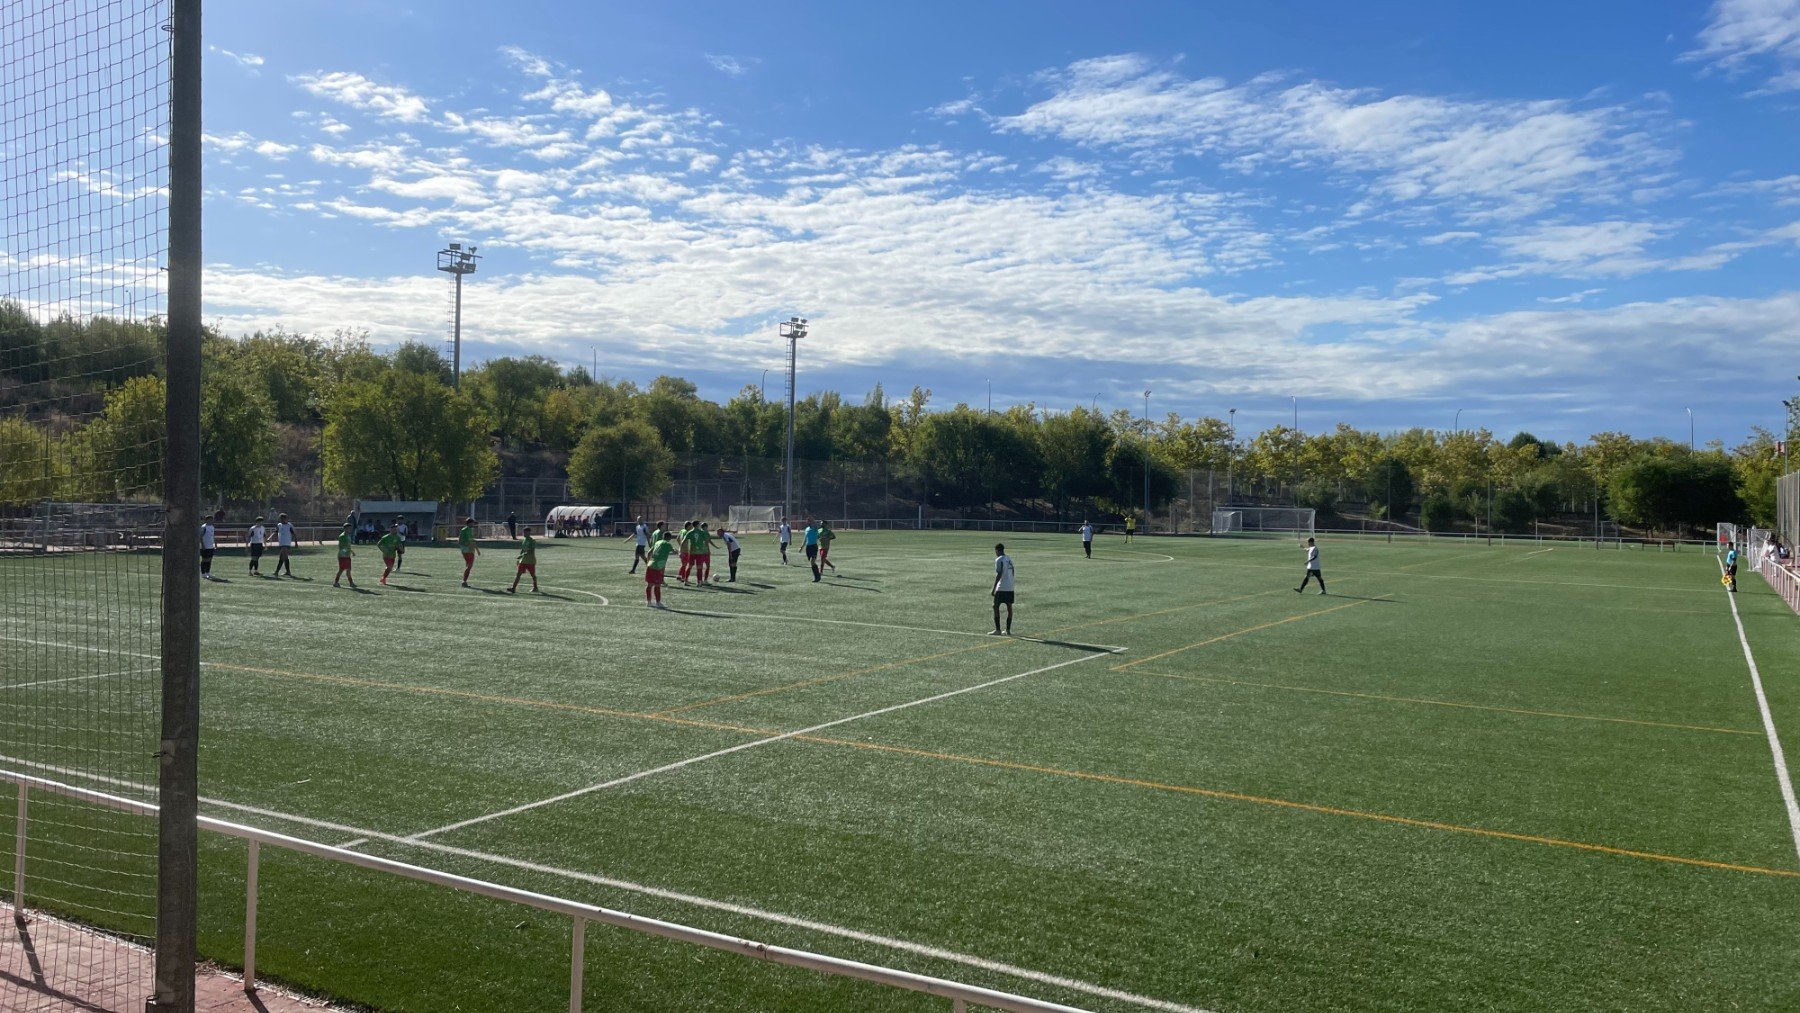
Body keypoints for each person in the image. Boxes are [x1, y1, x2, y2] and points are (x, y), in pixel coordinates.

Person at [644, 526, 674, 608]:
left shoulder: (657, 542)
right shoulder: (668, 544)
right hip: (657, 567)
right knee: (657, 585)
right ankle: (658, 602)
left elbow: (649, 553)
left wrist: (648, 562)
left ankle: (649, 602)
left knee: (649, 584)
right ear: (669, 538)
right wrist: (678, 552)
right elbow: (673, 552)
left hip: (650, 565)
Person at [990, 542, 1016, 636]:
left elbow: (999, 574)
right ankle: (1008, 630)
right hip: (1010, 587)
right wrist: (1011, 581)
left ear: (997, 550)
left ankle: (998, 630)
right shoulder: (1009, 559)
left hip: (1001, 587)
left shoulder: (999, 559)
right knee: (1009, 608)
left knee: (995, 606)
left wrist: (994, 588)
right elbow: (1013, 571)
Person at [509, 527, 539, 593]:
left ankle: (535, 587)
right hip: (523, 561)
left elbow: (532, 551)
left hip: (530, 561)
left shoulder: (532, 541)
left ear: (529, 533)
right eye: (523, 532)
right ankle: (513, 588)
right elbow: (522, 550)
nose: (524, 534)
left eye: (525, 532)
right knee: (518, 574)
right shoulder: (524, 540)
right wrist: (519, 558)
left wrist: (525, 553)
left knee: (533, 575)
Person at [332, 522, 356, 588]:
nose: (350, 529)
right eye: (348, 528)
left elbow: (347, 546)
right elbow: (341, 547)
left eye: (350, 528)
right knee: (344, 569)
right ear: (345, 529)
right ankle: (350, 583)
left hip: (347, 556)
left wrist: (351, 552)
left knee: (344, 570)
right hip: (343, 556)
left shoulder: (348, 535)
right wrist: (345, 552)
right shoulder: (342, 536)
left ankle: (336, 582)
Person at [458, 516, 480, 587]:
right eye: (473, 523)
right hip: (468, 550)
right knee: (469, 566)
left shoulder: (468, 530)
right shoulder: (465, 530)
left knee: (469, 566)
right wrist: (467, 546)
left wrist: (477, 549)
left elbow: (471, 540)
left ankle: (464, 581)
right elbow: (460, 541)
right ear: (470, 523)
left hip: (468, 550)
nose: (473, 525)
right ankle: (464, 582)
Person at [199, 511, 221, 581]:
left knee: (209, 559)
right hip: (205, 546)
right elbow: (200, 537)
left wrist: (215, 545)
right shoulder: (203, 527)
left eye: (212, 519)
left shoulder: (212, 527)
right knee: (205, 559)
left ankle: (207, 573)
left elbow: (213, 536)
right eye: (210, 519)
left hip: (211, 546)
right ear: (206, 520)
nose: (212, 521)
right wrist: (203, 545)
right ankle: (203, 573)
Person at [274, 513, 296, 577]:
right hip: (281, 543)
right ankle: (288, 572)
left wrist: (296, 543)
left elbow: (294, 534)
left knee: (282, 558)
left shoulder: (289, 525)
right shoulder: (279, 525)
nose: (283, 520)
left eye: (284, 518)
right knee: (284, 558)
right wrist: (269, 538)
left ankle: (276, 572)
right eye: (282, 519)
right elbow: (275, 532)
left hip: (286, 543)